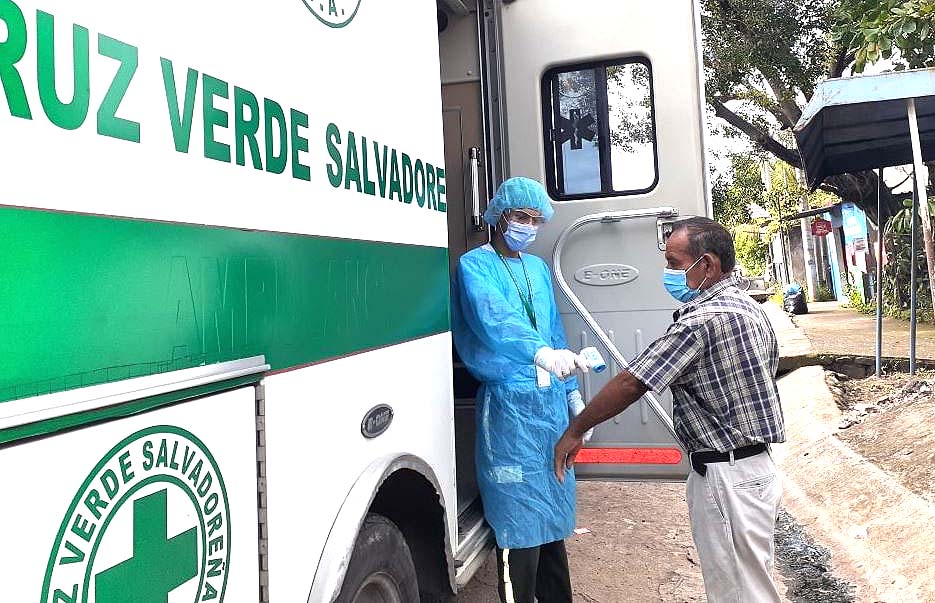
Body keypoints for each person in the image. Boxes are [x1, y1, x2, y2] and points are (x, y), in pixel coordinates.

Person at [553, 217, 785, 602]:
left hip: (728, 476)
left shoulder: (702, 321)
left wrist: (576, 429)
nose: (668, 273)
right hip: (752, 470)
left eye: (674, 264)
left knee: (740, 592)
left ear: (707, 264)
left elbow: (632, 382)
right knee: (750, 584)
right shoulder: (748, 307)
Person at [452, 177, 591, 603]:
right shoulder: (475, 265)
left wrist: (572, 395)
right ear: (499, 217)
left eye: (535, 219)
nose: (528, 226)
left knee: (552, 510)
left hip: (549, 404)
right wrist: (540, 354)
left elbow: (552, 327)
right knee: (517, 517)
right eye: (520, 217)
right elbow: (495, 321)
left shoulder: (536, 268)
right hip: (510, 407)